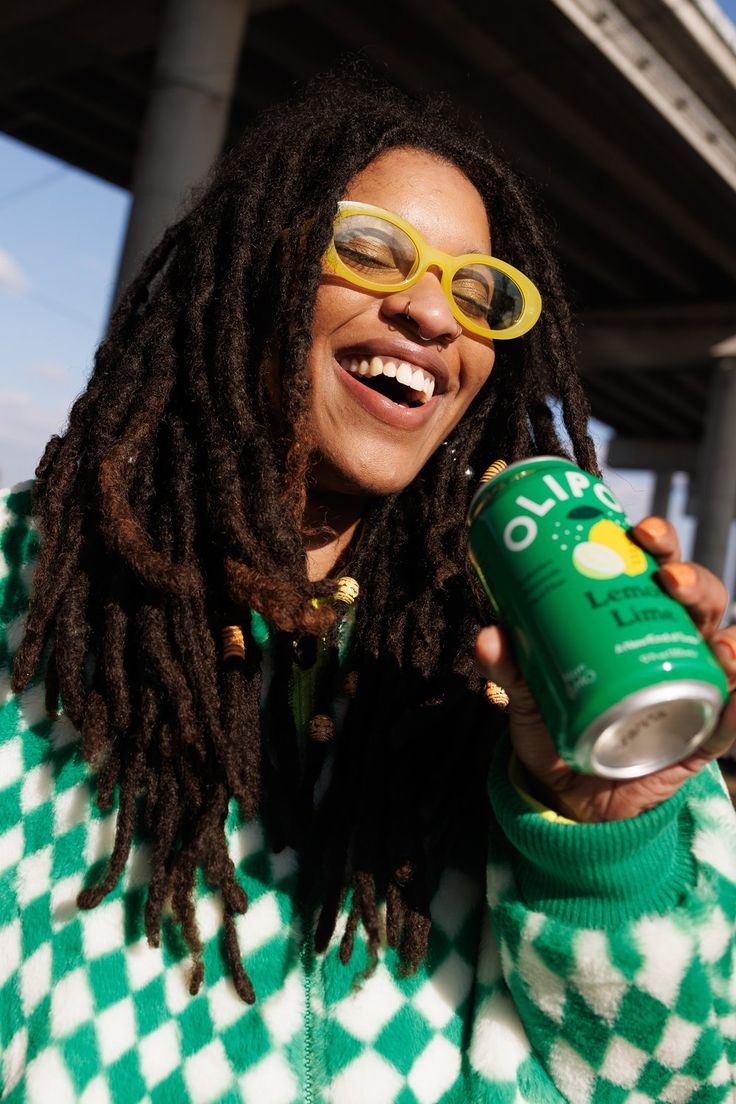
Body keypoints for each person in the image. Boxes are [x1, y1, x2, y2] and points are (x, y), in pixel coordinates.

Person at [1, 68, 735, 1104]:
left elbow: (677, 1083)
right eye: (370, 249)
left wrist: (603, 837)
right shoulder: (32, 590)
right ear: (254, 270)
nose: (433, 313)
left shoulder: (517, 661)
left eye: (480, 293)